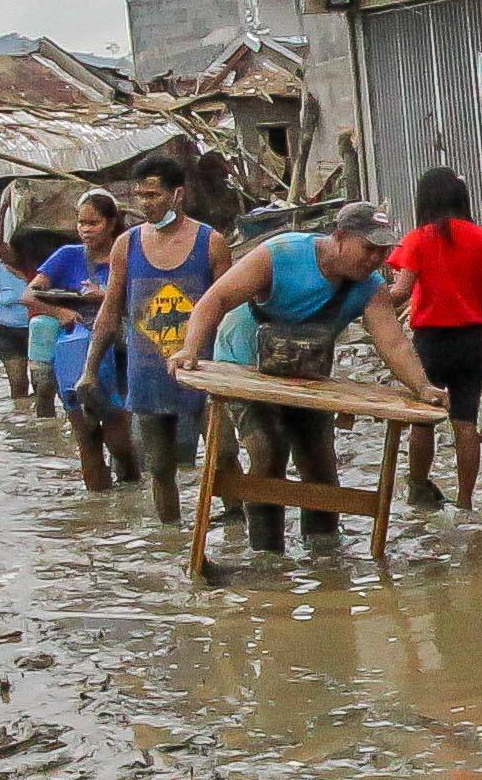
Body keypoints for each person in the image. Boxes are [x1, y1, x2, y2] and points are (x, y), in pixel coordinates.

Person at [177, 202, 417, 554]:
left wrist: (423, 387)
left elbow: (394, 343)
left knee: (319, 464)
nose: (375, 260)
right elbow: (215, 300)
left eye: (383, 252)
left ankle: (324, 554)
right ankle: (267, 554)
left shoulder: (371, 288)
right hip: (248, 364)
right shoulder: (281, 254)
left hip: (307, 373)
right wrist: (190, 349)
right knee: (268, 449)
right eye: (368, 249)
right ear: (338, 238)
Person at [384, 169, 482, 511]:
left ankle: (418, 490)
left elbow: (402, 291)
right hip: (470, 342)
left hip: (429, 344)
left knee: (423, 419)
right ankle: (464, 503)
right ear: (461, 198)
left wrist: (366, 300)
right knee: (466, 421)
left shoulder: (417, 240)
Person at [86, 171, 225, 524]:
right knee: (160, 467)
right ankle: (170, 537)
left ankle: (236, 525)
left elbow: (230, 308)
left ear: (177, 195)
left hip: (205, 370)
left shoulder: (211, 242)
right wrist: (89, 370)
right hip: (148, 371)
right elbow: (111, 309)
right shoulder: (127, 245)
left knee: (223, 453)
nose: (145, 203)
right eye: (140, 196)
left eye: (153, 195)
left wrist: (237, 366)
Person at [40, 194, 128, 489]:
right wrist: (59, 310)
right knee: (86, 437)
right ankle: (98, 510)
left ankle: (130, 500)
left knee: (120, 439)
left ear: (111, 223)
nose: (86, 230)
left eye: (93, 223)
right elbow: (30, 294)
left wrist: (104, 295)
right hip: (75, 351)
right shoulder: (67, 255)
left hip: (121, 352)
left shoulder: (127, 252)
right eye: (81, 222)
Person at [0, 231, 48, 411]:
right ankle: (20, 420)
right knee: (18, 381)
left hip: (38, 331)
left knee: (41, 384)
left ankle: (39, 422)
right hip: (8, 333)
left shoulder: (41, 269)